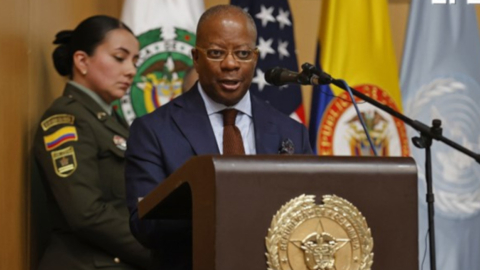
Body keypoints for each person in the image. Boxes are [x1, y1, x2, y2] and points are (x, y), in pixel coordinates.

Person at [125, 5, 313, 269]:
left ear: (255, 58)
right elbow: (144, 225)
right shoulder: (153, 130)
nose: (230, 64)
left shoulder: (291, 132)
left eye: (243, 53)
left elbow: (309, 214)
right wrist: (224, 211)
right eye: (216, 53)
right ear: (196, 58)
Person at [33, 15, 150, 270]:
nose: (131, 70)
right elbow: (86, 214)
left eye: (135, 60)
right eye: (120, 58)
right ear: (82, 61)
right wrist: (158, 252)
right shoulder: (66, 119)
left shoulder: (110, 121)